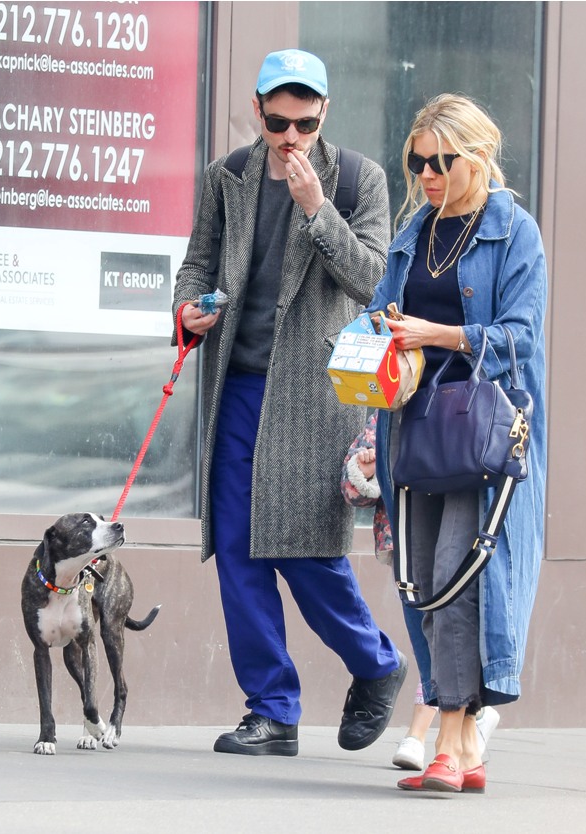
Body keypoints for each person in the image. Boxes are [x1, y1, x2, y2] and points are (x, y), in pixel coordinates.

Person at [171, 48, 407, 757]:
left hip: (315, 396)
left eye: (304, 121)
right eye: (278, 120)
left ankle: (378, 664)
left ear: (323, 114)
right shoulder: (229, 177)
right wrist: (187, 309)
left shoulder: (360, 179)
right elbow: (196, 263)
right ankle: (271, 709)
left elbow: (374, 280)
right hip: (238, 388)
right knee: (240, 553)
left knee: (307, 552)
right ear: (258, 110)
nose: (291, 136)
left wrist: (316, 209)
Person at [367, 93, 547, 793]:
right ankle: (468, 745)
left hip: (480, 434)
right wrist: (370, 334)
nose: (426, 174)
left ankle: (447, 737)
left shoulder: (513, 232)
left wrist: (432, 334)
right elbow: (384, 308)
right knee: (419, 581)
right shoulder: (417, 229)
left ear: (475, 155)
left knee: (456, 573)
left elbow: (520, 338)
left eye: (438, 162)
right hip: (413, 427)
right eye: (417, 163)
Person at [341, 410, 500, 772]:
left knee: (443, 626)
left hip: (452, 539)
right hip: (404, 547)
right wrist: (367, 471)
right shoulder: (386, 417)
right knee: (429, 636)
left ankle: (424, 736)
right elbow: (351, 489)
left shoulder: (460, 407)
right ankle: (470, 734)